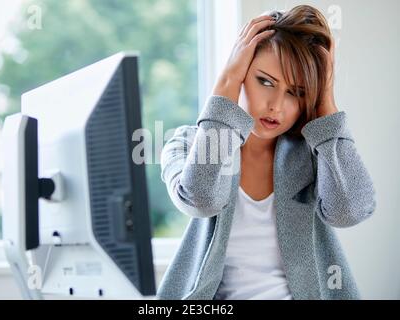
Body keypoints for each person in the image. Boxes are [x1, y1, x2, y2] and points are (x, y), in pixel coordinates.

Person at [157, 4, 376, 300]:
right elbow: (202, 199)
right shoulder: (184, 144)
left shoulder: (314, 153)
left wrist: (325, 100)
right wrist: (226, 85)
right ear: (240, 72)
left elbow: (349, 211)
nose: (276, 105)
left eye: (296, 92)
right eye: (265, 81)